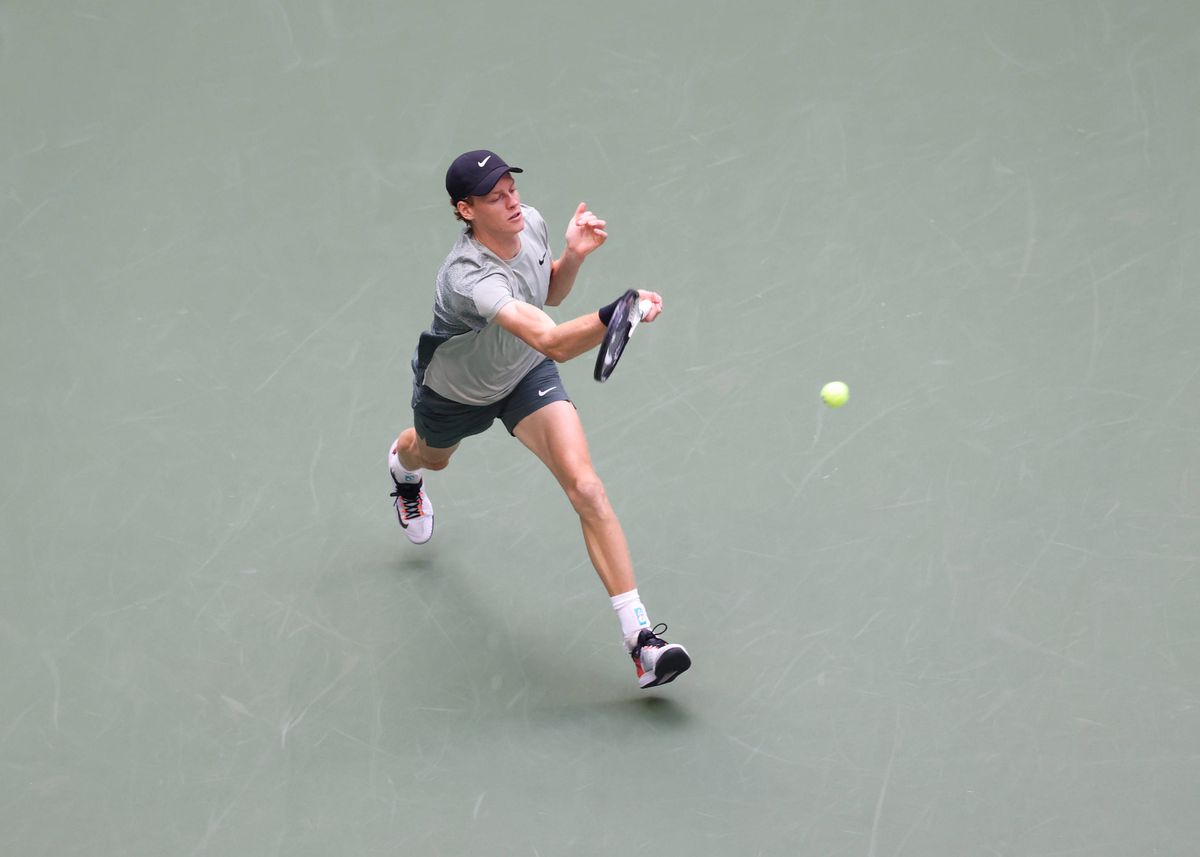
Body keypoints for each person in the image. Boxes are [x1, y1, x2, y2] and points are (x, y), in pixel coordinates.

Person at [386, 150, 691, 689]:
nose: (512, 201)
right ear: (465, 210)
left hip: (525, 374)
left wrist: (572, 257)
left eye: (511, 188)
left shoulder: (532, 224)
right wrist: (614, 314)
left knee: (587, 488)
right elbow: (551, 336)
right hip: (457, 391)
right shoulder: (467, 276)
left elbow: (545, 292)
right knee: (431, 456)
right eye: (495, 196)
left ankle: (641, 642)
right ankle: (403, 470)